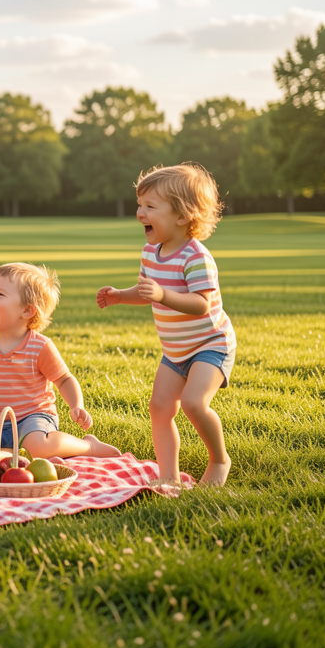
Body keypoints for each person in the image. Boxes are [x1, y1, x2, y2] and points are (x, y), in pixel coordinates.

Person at [97, 163, 235, 486]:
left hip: (210, 345)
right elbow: (146, 292)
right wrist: (120, 296)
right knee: (159, 407)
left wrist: (163, 294)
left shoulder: (195, 257)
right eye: (139, 205)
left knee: (193, 403)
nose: (139, 213)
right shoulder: (150, 252)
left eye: (149, 206)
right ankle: (168, 478)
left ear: (182, 216)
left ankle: (219, 459)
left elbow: (201, 304)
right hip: (175, 351)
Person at [0, 262, 121, 459]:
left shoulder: (39, 346)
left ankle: (87, 446)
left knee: (37, 444)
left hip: (33, 420)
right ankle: (2, 457)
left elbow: (64, 379)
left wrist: (77, 404)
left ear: (27, 311)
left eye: (0, 294)